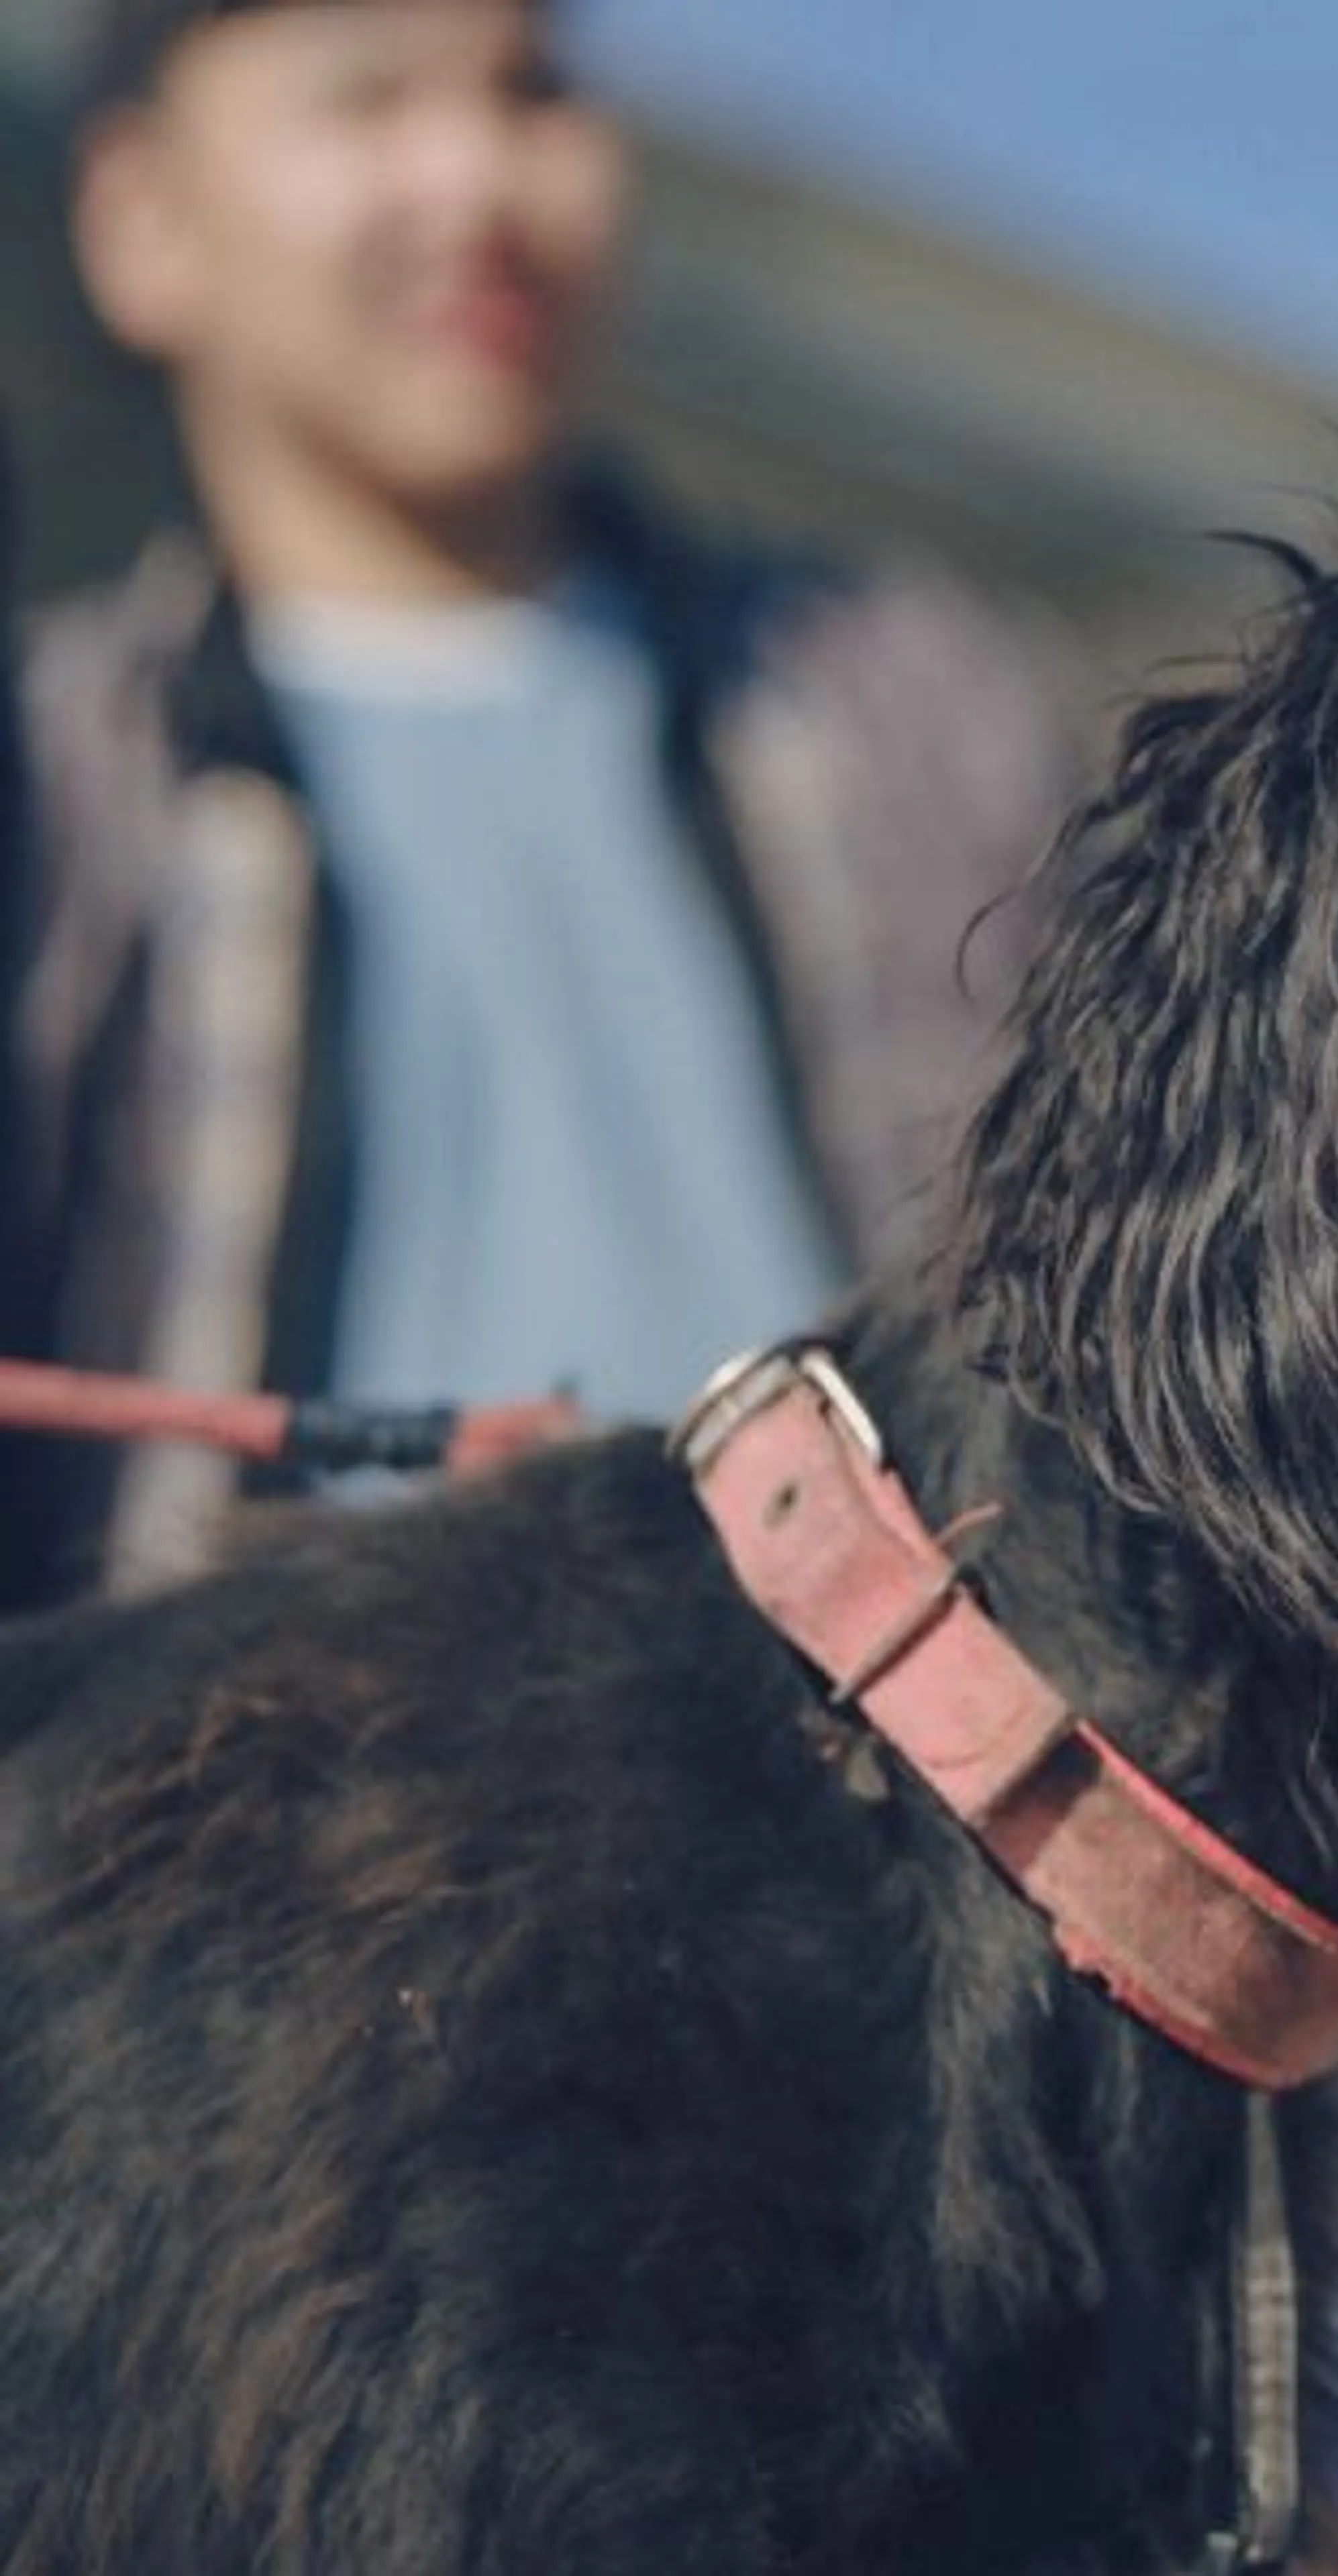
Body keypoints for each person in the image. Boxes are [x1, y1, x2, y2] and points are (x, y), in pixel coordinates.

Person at [2, 0, 1078, 1604]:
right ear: (142, 222)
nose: (479, 181)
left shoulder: (928, 708)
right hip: (238, 1816)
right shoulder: (56, 783)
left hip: (893, 1805)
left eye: (533, 90)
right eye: (366, 101)